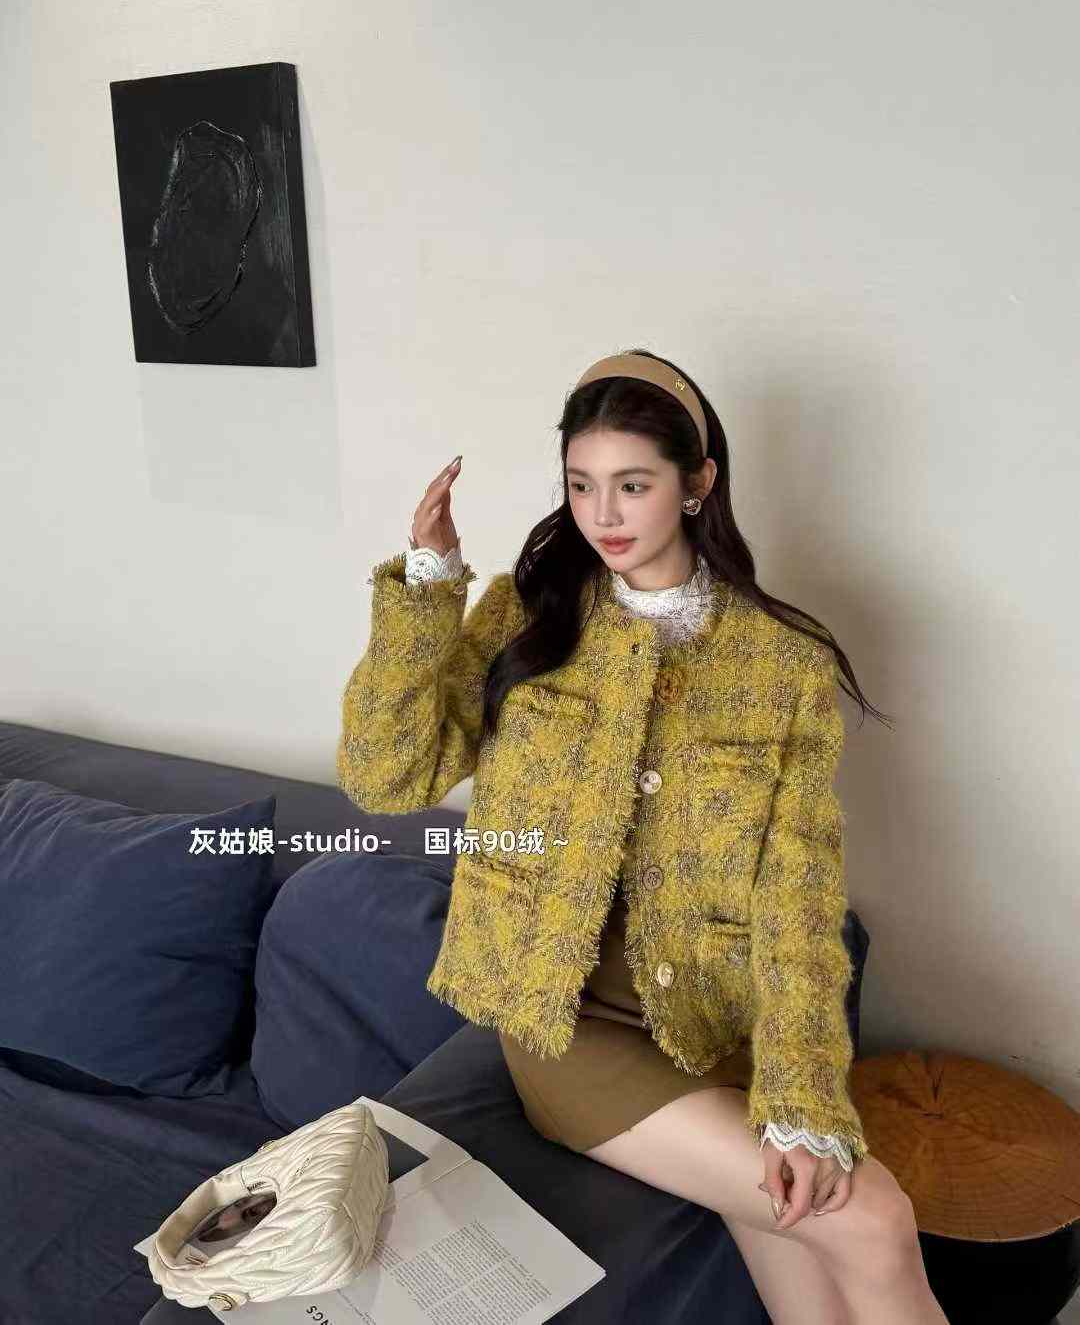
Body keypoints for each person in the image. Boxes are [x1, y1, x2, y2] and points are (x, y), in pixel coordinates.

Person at [339, 349, 947, 1325]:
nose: (603, 514)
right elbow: (387, 774)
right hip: (569, 1020)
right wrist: (427, 581)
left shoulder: (780, 661)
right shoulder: (529, 617)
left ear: (697, 483)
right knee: (873, 1220)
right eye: (581, 484)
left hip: (714, 1017)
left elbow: (798, 890)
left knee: (817, 1279)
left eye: (633, 484)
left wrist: (801, 1097)